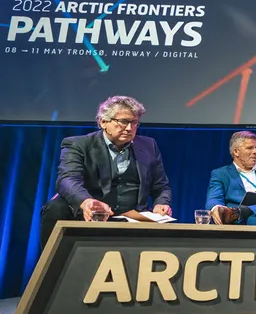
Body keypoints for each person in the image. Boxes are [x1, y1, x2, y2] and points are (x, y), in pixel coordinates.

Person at [39, 96, 172, 248]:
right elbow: (67, 180)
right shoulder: (78, 144)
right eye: (123, 122)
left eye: (134, 123)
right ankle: (54, 266)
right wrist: (86, 202)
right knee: (56, 208)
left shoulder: (149, 145)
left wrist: (161, 203)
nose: (129, 128)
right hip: (93, 214)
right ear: (103, 122)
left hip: (132, 215)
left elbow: (161, 186)